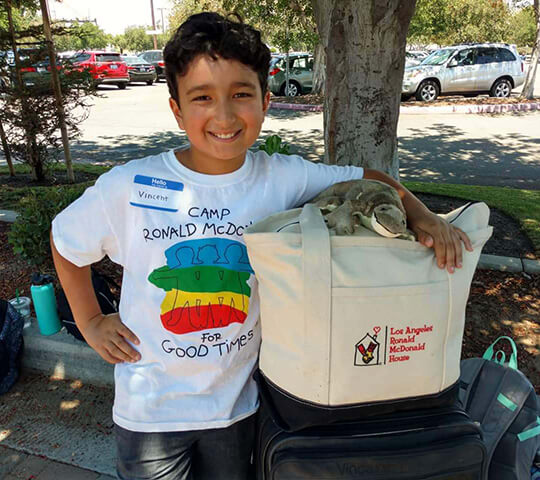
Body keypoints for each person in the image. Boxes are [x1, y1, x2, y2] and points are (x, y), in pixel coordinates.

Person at [50, 12, 472, 480]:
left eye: (241, 95)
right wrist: (90, 321)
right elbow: (67, 242)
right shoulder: (128, 186)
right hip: (151, 414)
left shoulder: (282, 177)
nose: (225, 116)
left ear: (266, 101)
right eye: (203, 98)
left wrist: (425, 216)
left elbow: (372, 179)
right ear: (176, 109)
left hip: (239, 409)